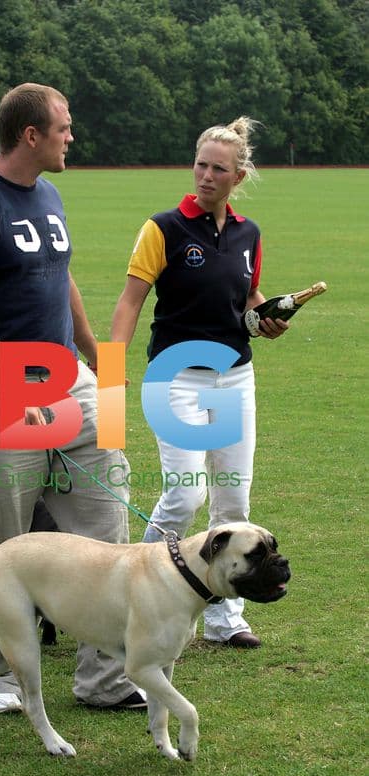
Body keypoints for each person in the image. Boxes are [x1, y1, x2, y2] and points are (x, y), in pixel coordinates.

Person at [0, 82, 146, 711]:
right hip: (8, 384)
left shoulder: (49, 193)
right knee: (2, 544)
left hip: (70, 381)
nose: (71, 137)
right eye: (64, 127)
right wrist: (14, 393)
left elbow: (60, 275)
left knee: (106, 525)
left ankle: (106, 681)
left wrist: (94, 355)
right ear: (31, 135)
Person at [111, 117, 288, 648]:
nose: (206, 176)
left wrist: (267, 316)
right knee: (186, 496)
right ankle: (131, 595)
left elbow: (247, 298)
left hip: (234, 376)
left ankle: (223, 618)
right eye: (201, 165)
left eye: (219, 169)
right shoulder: (162, 228)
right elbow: (129, 303)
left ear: (238, 177)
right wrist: (110, 372)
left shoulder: (248, 234)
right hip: (176, 375)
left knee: (233, 501)